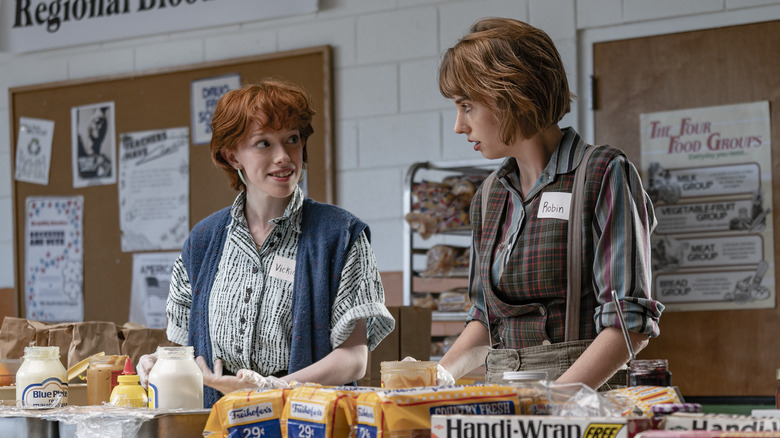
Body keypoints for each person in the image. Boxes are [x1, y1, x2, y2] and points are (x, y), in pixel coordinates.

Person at [433, 17, 664, 390]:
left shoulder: (603, 173)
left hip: (582, 406)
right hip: (505, 403)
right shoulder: (489, 196)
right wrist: (436, 376)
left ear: (509, 94)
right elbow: (485, 320)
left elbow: (629, 325)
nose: (459, 125)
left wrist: (552, 406)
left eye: (467, 106)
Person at [138, 79, 396, 407]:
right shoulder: (203, 241)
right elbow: (186, 348)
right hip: (220, 421)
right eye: (263, 144)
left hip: (307, 421)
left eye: (292, 140)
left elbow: (354, 358)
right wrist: (159, 362)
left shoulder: (339, 235)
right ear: (233, 156)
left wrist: (270, 388)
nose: (284, 157)